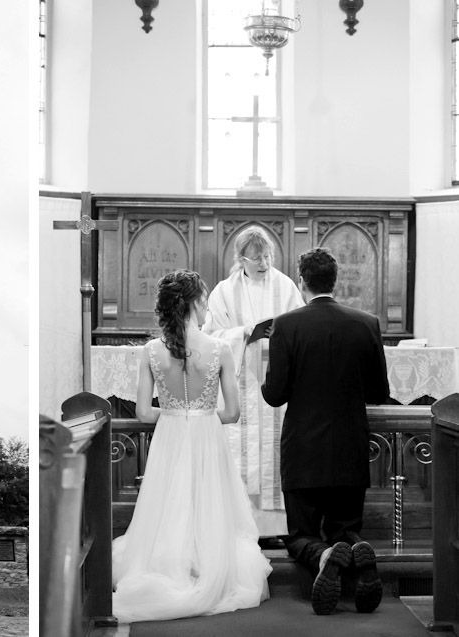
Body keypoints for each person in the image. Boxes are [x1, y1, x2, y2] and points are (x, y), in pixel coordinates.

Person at [111, 270, 271, 624]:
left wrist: (172, 414)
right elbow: (231, 413)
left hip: (170, 435)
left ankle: (169, 565)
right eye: (205, 300)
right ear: (197, 303)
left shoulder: (152, 351)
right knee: (206, 499)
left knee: (170, 501)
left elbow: (140, 412)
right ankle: (204, 566)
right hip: (206, 434)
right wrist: (199, 413)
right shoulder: (219, 349)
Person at [261, 247, 390, 615]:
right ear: (334, 281)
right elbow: (380, 392)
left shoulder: (286, 325)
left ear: (301, 282)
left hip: (303, 451)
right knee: (346, 527)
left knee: (300, 534)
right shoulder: (366, 323)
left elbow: (274, 395)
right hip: (350, 449)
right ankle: (352, 552)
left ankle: (325, 556)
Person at [205, 226, 304, 540]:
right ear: (241, 259)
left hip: (277, 380)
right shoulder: (223, 291)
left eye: (268, 256)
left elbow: (302, 325)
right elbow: (210, 337)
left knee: (274, 451)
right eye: (257, 258)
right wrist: (245, 333)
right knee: (240, 454)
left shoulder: (285, 286)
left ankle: (276, 529)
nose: (264, 263)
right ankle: (241, 525)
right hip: (241, 382)